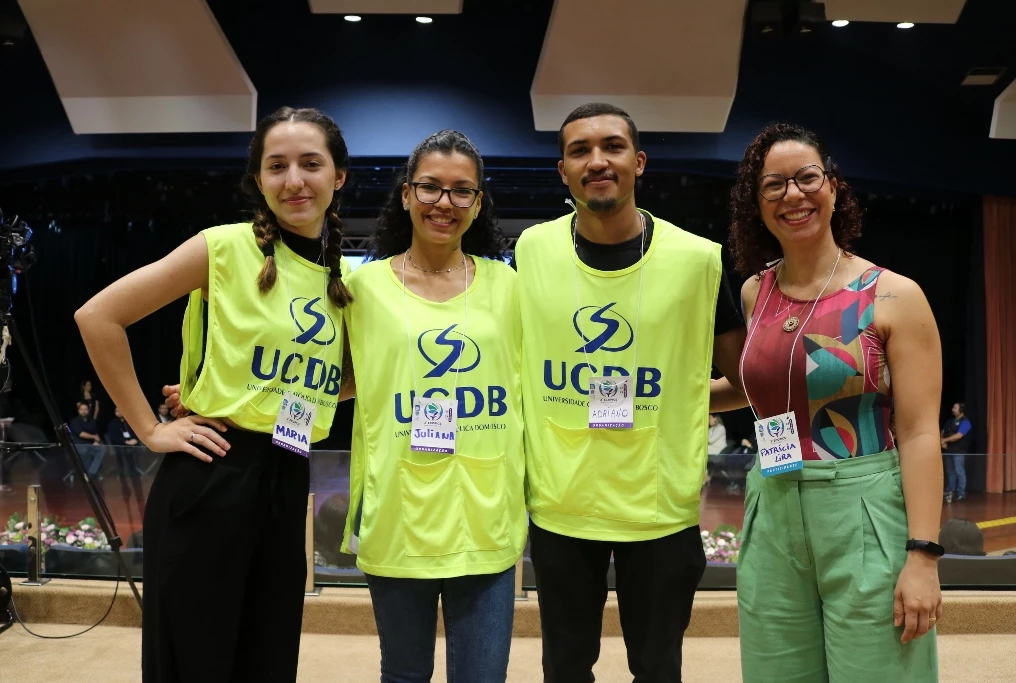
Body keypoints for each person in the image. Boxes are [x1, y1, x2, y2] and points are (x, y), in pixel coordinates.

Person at [75, 106, 353, 682]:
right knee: (197, 661)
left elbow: (342, 379)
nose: (294, 180)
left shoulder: (344, 277)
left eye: (311, 164)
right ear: (258, 179)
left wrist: (256, 391)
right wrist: (150, 429)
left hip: (287, 473)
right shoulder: (222, 247)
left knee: (267, 656)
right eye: (276, 166)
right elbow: (98, 317)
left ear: (338, 176)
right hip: (213, 473)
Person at [515, 103, 746, 682]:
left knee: (657, 669)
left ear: (638, 162)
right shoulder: (532, 250)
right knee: (565, 669)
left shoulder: (697, 260)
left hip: (659, 509)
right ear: (562, 170)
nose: (597, 161)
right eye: (580, 150)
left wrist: (682, 402)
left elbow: (744, 380)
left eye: (613, 147)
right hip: (562, 506)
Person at [711, 122, 942, 681]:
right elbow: (758, 387)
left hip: (864, 508)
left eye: (807, 178)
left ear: (834, 187)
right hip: (772, 508)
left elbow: (919, 432)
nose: (792, 194)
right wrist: (659, 398)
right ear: (757, 205)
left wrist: (923, 556)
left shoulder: (893, 295)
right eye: (774, 185)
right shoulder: (755, 292)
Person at [339, 130, 525, 682]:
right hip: (399, 513)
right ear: (406, 194)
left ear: (478, 203)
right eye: (430, 187)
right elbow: (335, 380)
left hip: (485, 515)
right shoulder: (361, 287)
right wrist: (222, 398)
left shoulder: (510, 285)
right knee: (403, 675)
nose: (445, 202)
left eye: (462, 190)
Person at [941, 402, 972, 503]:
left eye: (955, 408)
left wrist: (945, 440)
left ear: (961, 410)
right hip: (948, 450)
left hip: (959, 451)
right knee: (950, 472)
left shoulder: (966, 422)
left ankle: (961, 493)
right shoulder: (949, 421)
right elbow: (943, 432)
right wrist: (942, 441)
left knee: (959, 472)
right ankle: (950, 491)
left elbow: (959, 435)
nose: (952, 409)